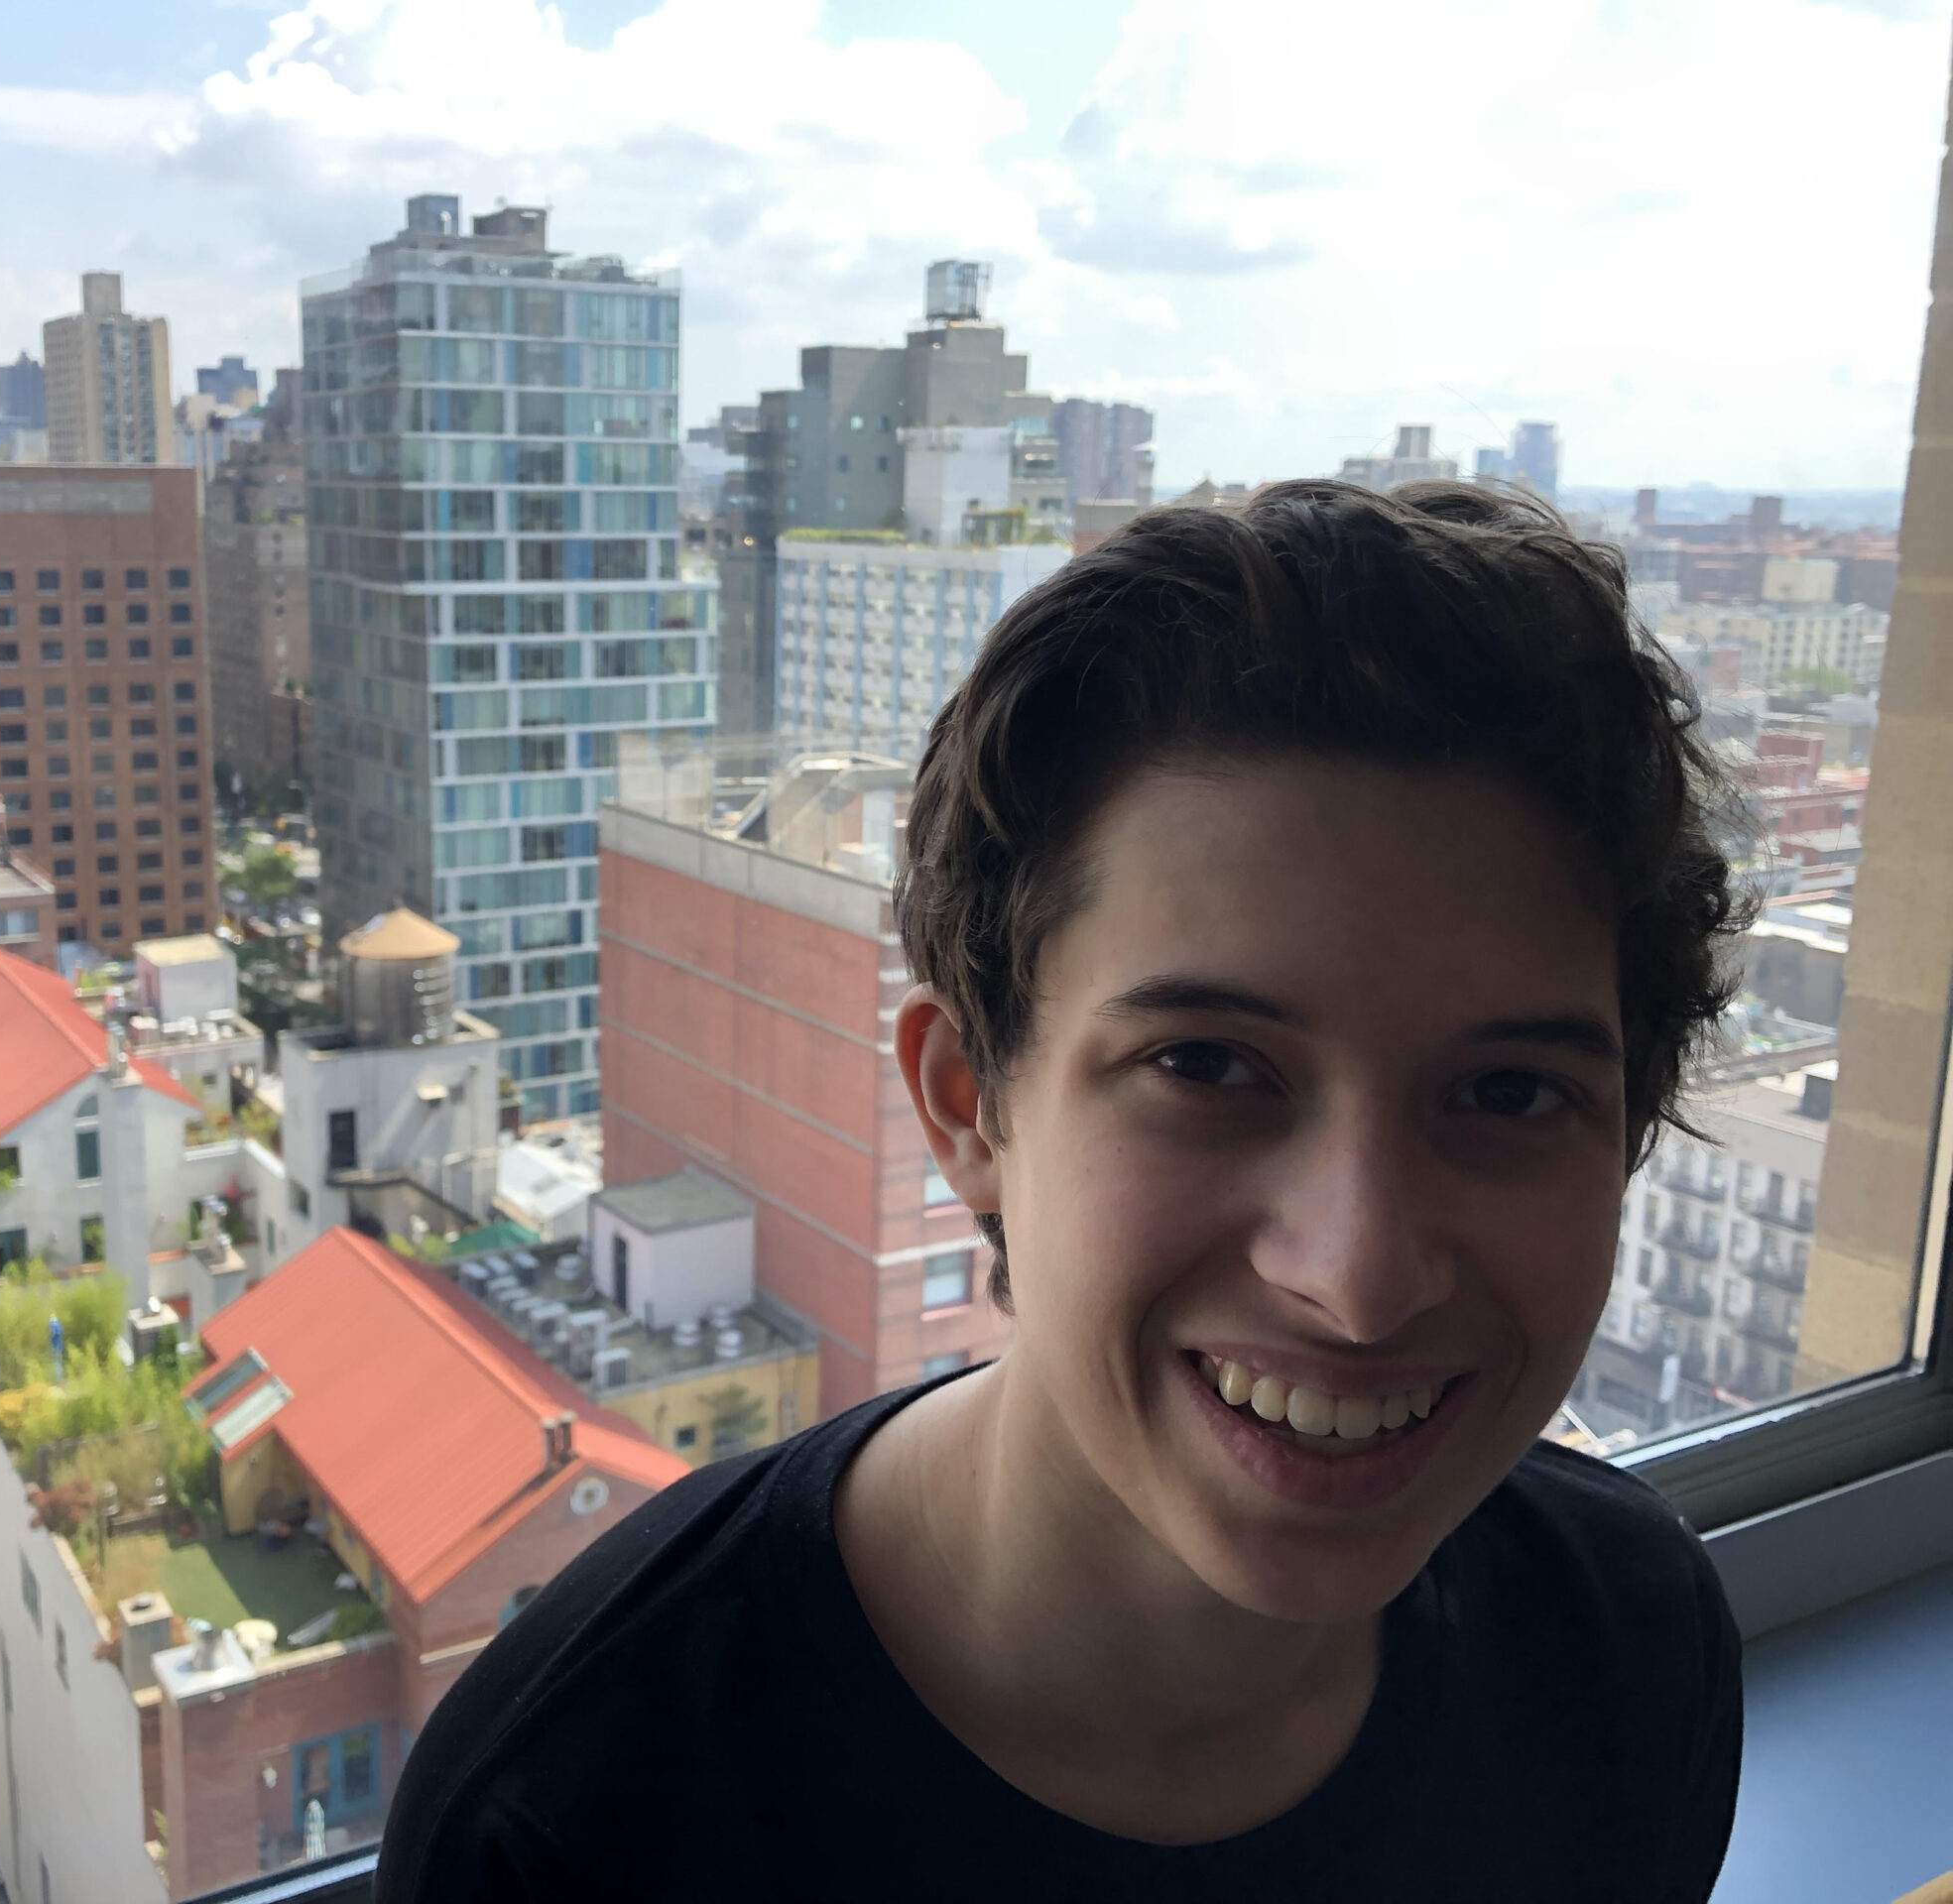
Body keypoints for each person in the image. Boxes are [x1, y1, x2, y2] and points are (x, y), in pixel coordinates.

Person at [376, 479, 1749, 1902]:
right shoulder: (583, 1821)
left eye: (1511, 1093)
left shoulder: (1626, 1655)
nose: (1359, 1272)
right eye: (1208, 1065)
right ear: (971, 1101)